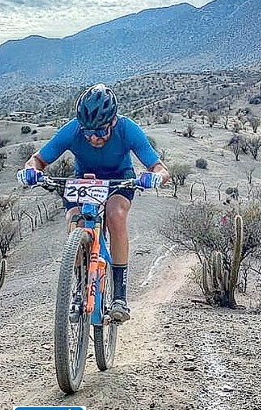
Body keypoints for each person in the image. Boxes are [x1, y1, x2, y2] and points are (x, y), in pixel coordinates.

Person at [16, 83, 169, 323]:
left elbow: (159, 168)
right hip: (84, 182)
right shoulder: (72, 130)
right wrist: (30, 171)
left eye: (100, 132)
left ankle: (119, 295)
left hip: (119, 180)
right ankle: (78, 286)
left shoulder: (128, 129)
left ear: (113, 122)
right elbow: (37, 160)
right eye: (87, 133)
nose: (93, 138)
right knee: (73, 220)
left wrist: (155, 177)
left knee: (115, 215)